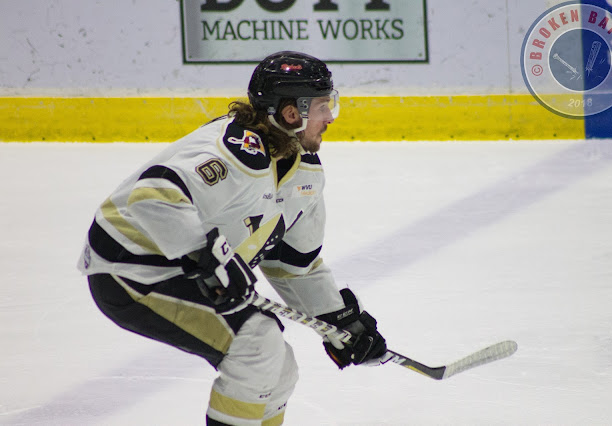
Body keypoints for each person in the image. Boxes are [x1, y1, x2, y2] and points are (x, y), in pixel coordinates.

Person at [78, 51, 387, 425]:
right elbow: (153, 197)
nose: (331, 117)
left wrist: (340, 321)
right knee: (257, 345)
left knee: (279, 368)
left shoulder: (305, 175)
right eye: (324, 106)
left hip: (182, 273)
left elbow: (294, 267)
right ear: (293, 113)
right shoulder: (234, 150)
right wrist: (209, 255)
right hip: (130, 268)